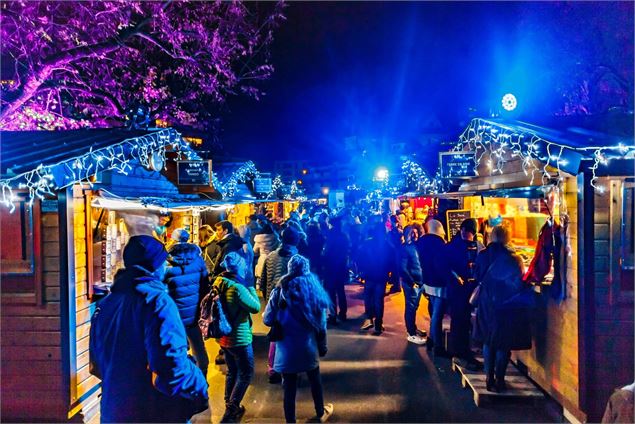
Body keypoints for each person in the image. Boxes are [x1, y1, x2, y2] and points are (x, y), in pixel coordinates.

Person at [89, 235, 208, 423]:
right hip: (151, 411)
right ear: (155, 266)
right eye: (163, 262)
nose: (166, 267)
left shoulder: (105, 304)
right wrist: (199, 383)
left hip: (114, 411)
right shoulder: (157, 303)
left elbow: (96, 365)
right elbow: (170, 369)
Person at [263, 255, 334, 423]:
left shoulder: (280, 291)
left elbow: (267, 319)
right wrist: (322, 346)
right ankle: (319, 411)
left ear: (290, 269)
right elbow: (321, 325)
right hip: (308, 346)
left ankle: (291, 420)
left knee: (289, 388)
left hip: (286, 348)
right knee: (315, 380)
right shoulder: (314, 291)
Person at [474, 226, 532, 393]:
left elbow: (477, 276)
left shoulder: (483, 255)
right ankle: (500, 379)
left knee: (488, 339)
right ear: (507, 238)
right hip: (506, 304)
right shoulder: (514, 258)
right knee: (503, 342)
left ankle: (488, 377)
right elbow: (520, 281)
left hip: (486, 303)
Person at [213, 252, 261, 422]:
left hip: (224, 337)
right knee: (246, 373)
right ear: (239, 267)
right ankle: (232, 408)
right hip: (238, 338)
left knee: (232, 370)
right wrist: (251, 288)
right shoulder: (238, 288)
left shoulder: (219, 282)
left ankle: (229, 402)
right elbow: (255, 307)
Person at [165, 228, 210, 377]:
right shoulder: (198, 259)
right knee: (199, 348)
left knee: (178, 349)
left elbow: (163, 290)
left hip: (175, 316)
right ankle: (201, 377)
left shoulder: (167, 263)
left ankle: (183, 382)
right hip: (195, 314)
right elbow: (205, 285)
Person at [261, 227, 300, 383]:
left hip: (273, 300)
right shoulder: (295, 258)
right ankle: (287, 369)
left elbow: (263, 280)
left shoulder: (270, 256)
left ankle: (272, 368)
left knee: (275, 335)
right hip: (289, 303)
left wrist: (268, 300)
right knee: (290, 337)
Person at [445, 218, 482, 369]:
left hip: (460, 290)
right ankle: (460, 354)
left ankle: (462, 353)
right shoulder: (473, 247)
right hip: (462, 289)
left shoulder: (453, 246)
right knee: (461, 321)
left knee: (461, 321)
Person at [417, 219, 448, 356]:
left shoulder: (422, 242)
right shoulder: (439, 244)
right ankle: (438, 346)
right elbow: (442, 265)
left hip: (427, 280)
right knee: (437, 315)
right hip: (439, 283)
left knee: (434, 312)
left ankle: (431, 339)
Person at [356, 223, 392, 335]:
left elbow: (359, 258)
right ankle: (378, 324)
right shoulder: (387, 245)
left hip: (369, 274)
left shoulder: (367, 244)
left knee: (368, 297)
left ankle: (369, 319)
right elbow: (391, 262)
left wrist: (362, 271)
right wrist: (391, 275)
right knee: (378, 299)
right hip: (381, 276)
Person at [400, 225, 426, 344]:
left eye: (416, 233)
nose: (414, 235)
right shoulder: (405, 248)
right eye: (412, 233)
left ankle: (413, 329)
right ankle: (411, 333)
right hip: (412, 283)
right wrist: (412, 283)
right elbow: (403, 268)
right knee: (410, 307)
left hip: (419, 282)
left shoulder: (417, 247)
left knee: (414, 307)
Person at [322, 217, 350, 324]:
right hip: (341, 267)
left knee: (331, 292)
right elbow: (346, 251)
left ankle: (333, 315)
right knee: (340, 291)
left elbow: (327, 251)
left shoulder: (330, 236)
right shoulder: (343, 236)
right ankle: (343, 314)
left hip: (331, 267)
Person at [253, 223, 280, 289]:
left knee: (261, 276)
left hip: (262, 259)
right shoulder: (275, 238)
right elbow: (279, 248)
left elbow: (255, 251)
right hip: (273, 259)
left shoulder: (259, 240)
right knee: (271, 277)